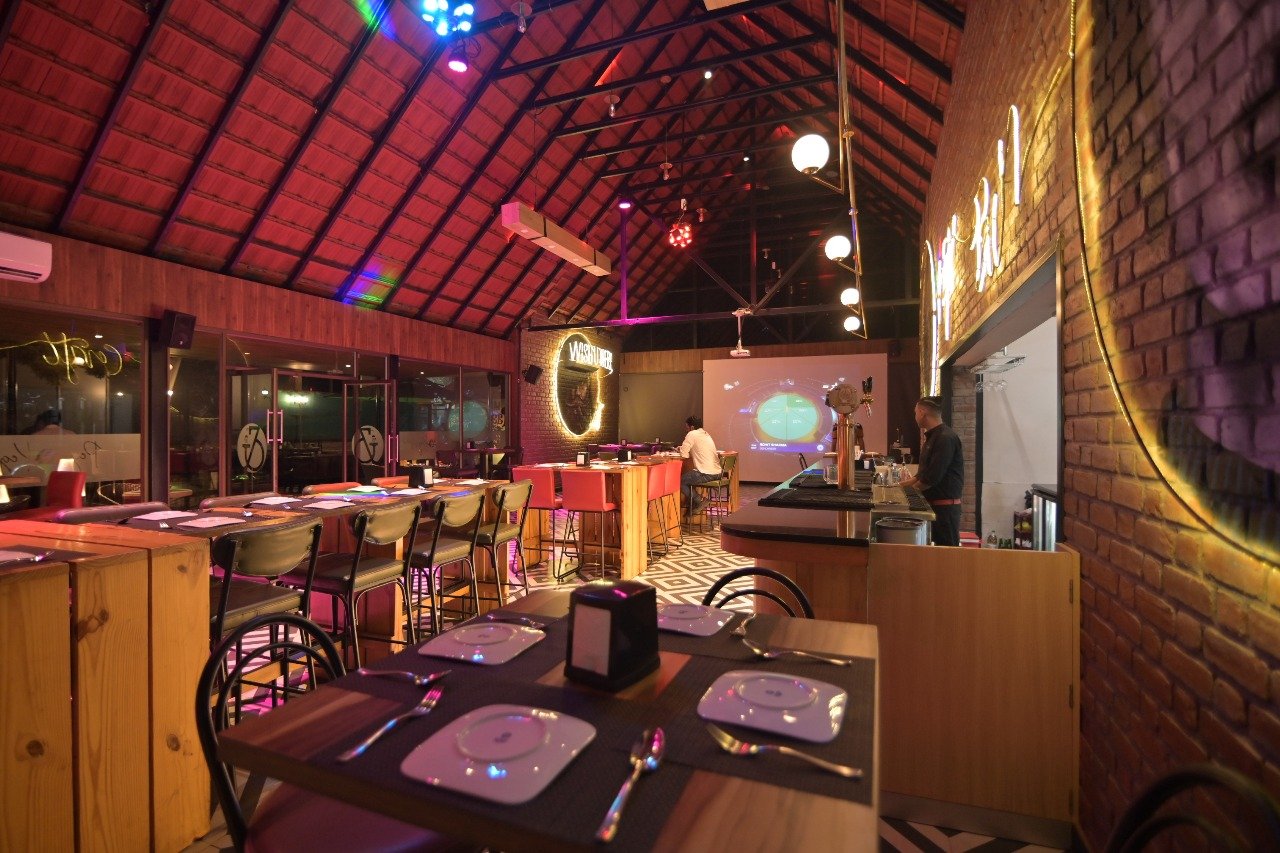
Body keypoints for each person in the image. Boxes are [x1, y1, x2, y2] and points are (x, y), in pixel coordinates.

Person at [898, 395, 963, 546]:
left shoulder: (945, 438)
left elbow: (931, 479)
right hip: (933, 507)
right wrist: (898, 487)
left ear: (922, 412)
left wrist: (906, 495)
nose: (915, 416)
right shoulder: (933, 437)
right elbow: (922, 475)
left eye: (915, 412)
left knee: (946, 555)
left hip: (945, 510)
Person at [677, 415, 721, 516]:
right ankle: (692, 503)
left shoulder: (692, 434)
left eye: (687, 427)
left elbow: (684, 455)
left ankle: (699, 500)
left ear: (692, 427)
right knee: (688, 478)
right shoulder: (705, 434)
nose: (686, 430)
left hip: (706, 473)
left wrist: (681, 449)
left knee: (679, 481)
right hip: (717, 472)